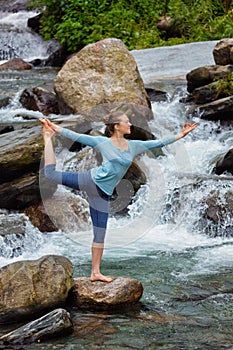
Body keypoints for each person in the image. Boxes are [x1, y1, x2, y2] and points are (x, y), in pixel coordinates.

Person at [39, 111, 198, 283]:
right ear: (116, 126)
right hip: (89, 180)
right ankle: (47, 138)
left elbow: (158, 143)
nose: (130, 125)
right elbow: (75, 136)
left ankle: (95, 272)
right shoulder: (102, 142)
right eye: (126, 122)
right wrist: (52, 128)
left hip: (104, 193)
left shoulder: (134, 145)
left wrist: (181, 135)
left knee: (100, 233)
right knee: (50, 174)